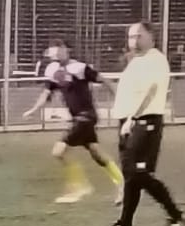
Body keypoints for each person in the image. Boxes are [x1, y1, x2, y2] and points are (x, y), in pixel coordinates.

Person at [100, 22, 185, 226]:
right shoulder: (136, 61)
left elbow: (151, 90)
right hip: (129, 122)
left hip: (144, 120)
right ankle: (125, 225)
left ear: (151, 37)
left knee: (139, 173)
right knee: (132, 175)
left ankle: (175, 215)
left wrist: (133, 117)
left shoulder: (155, 59)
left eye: (139, 36)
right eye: (131, 36)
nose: (134, 41)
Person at [25, 37, 122, 203]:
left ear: (66, 50)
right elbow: (46, 93)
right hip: (78, 118)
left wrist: (118, 95)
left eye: (59, 51)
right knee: (96, 152)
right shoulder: (52, 71)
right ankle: (122, 182)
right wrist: (34, 110)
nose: (56, 57)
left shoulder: (79, 68)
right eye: (53, 54)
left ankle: (80, 187)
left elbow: (103, 79)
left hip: (86, 116)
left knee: (59, 151)